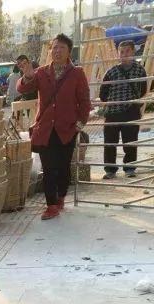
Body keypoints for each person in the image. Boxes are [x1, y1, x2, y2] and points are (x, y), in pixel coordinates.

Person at [17, 34, 91, 220]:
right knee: (49, 168)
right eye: (55, 47)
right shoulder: (41, 72)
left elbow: (84, 101)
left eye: (62, 48)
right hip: (45, 129)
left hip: (67, 129)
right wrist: (27, 77)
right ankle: (51, 205)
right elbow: (23, 89)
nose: (57, 51)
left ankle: (61, 197)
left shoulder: (77, 73)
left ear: (69, 51)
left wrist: (80, 124)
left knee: (63, 166)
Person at [100, 40, 148, 180]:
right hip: (112, 113)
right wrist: (113, 103)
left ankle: (130, 168)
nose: (124, 54)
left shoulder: (140, 70)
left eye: (127, 51)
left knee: (130, 142)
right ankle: (110, 170)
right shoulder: (111, 72)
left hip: (131, 111)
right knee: (110, 143)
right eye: (121, 52)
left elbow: (143, 89)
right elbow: (103, 93)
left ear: (133, 52)